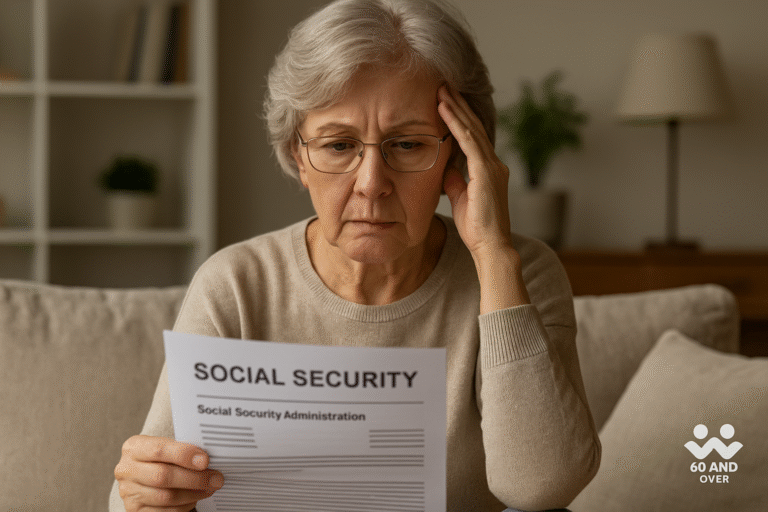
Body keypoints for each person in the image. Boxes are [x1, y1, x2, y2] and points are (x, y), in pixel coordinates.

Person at [110, 1, 601, 510]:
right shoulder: (235, 285)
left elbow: (543, 488)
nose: (372, 185)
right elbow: (140, 495)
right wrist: (146, 492)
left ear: (457, 154)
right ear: (299, 156)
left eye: (408, 145)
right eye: (339, 145)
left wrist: (495, 256)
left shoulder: (521, 271)